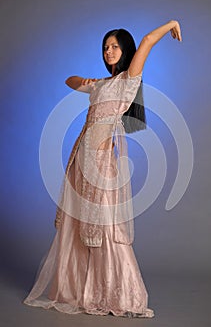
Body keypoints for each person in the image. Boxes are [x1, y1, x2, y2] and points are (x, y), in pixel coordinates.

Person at [24, 20, 182, 318]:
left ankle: (119, 294)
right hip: (79, 158)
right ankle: (77, 291)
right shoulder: (102, 84)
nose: (109, 51)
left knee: (105, 225)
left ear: (125, 50)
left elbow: (147, 40)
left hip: (100, 163)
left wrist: (171, 24)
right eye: (105, 47)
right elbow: (69, 80)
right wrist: (90, 81)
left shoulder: (128, 81)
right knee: (76, 225)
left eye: (115, 46)